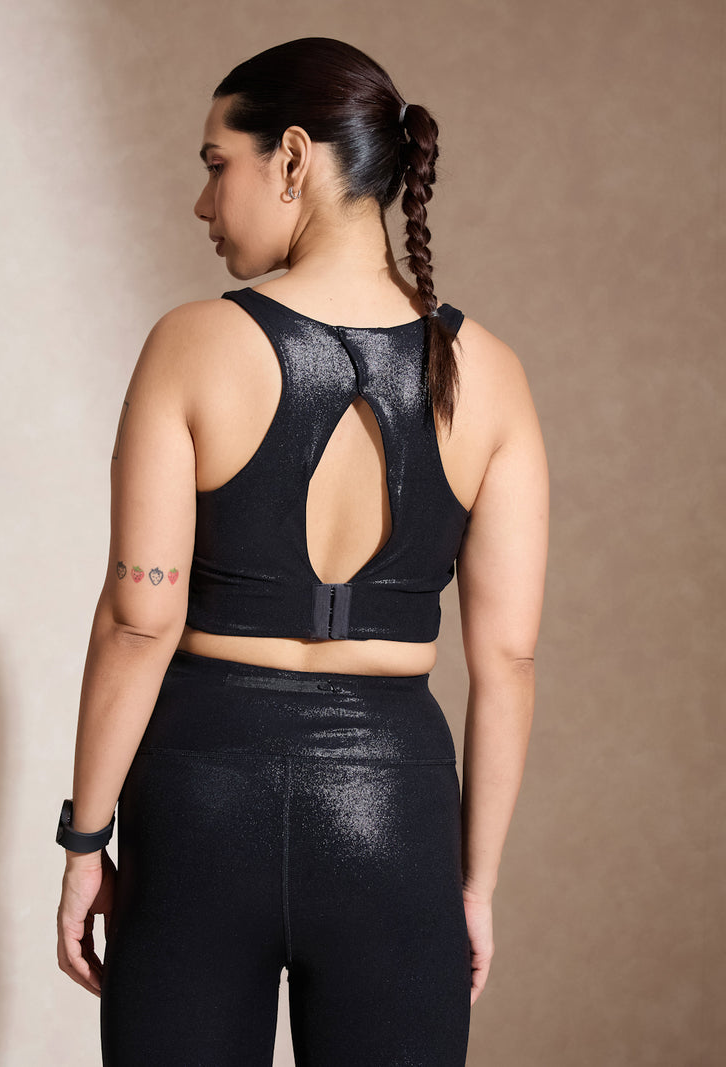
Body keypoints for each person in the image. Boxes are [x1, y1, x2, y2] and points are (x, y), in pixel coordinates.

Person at [56, 36, 549, 1066]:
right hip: (395, 810)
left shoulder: (191, 344)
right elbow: (505, 661)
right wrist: (472, 884)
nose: (202, 202)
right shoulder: (491, 373)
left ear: (290, 157)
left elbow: (140, 619)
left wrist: (85, 841)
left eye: (214, 164)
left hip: (198, 799)